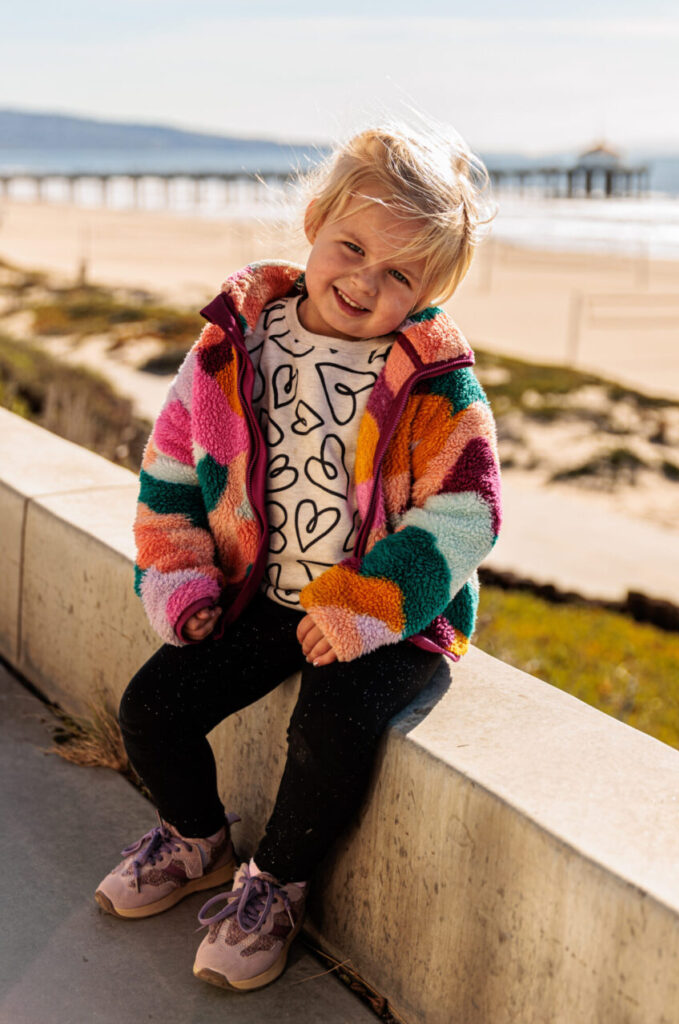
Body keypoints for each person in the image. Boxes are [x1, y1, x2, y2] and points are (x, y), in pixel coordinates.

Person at [94, 121, 502, 993]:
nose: (364, 280)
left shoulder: (434, 384)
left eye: (399, 275)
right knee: (152, 707)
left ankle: (272, 886)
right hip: (263, 596)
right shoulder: (232, 346)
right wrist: (181, 579)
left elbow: (469, 516)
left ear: (429, 292)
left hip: (382, 612)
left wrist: (370, 603)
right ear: (314, 222)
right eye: (350, 247)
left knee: (329, 729)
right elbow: (170, 473)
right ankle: (197, 838)